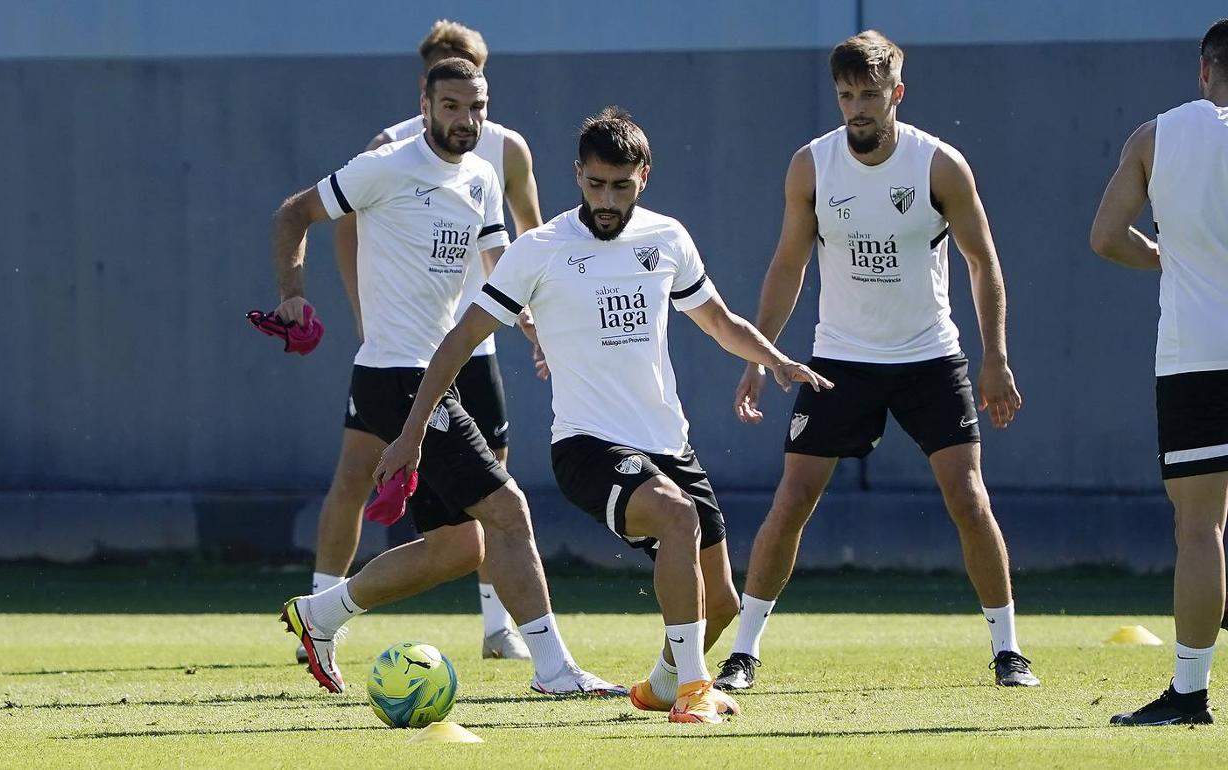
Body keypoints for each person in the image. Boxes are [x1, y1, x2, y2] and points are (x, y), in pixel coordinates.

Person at [374, 107, 833, 724]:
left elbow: (720, 322)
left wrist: (775, 361)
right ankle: (695, 688)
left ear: (644, 174)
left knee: (719, 602)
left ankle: (661, 686)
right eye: (595, 184)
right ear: (578, 176)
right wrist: (410, 436)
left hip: (668, 445)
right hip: (587, 447)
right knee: (675, 518)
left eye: (620, 184)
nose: (607, 199)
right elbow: (459, 341)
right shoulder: (540, 249)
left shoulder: (668, 238)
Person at [275, 58, 623, 698]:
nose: (467, 120)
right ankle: (555, 669)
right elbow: (292, 215)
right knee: (507, 508)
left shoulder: (485, 175)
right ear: (426, 103)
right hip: (395, 374)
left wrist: (535, 328)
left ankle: (318, 614)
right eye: (453, 107)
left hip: (443, 373)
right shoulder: (385, 165)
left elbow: (500, 266)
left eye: (478, 107)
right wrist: (293, 294)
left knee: (460, 547)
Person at [714, 30, 1039, 691]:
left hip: (930, 356)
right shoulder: (811, 165)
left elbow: (983, 263)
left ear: (897, 93)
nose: (857, 108)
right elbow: (787, 265)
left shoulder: (939, 165)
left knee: (968, 498)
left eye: (869, 95)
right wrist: (759, 356)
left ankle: (1009, 652)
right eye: (845, 96)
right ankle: (744, 654)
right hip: (840, 359)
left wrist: (995, 356)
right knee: (793, 499)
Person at [301, 19, 542, 665]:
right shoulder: (392, 149)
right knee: (358, 474)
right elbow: (336, 223)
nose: (462, 101)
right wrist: (361, 312)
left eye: (472, 84)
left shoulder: (503, 152)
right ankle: (322, 606)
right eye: (446, 74)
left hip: (474, 349)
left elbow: (528, 241)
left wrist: (538, 321)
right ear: (426, 87)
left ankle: (499, 628)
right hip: (398, 355)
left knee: (483, 508)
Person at [1090, 18, 1228, 727]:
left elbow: (1106, 237)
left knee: (1200, 528)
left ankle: (1189, 694)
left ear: (1205, 70)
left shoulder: (1158, 135)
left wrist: (1168, 258)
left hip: (1198, 356)